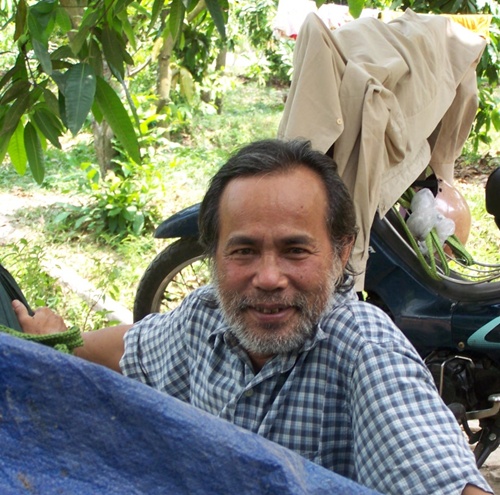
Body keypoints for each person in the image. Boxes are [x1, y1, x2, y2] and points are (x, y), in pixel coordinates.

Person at [13, 139, 492, 495]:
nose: (268, 278)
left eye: (295, 250)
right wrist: (63, 340)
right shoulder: (205, 317)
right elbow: (130, 348)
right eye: (243, 251)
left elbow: (441, 477)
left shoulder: (365, 350)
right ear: (214, 255)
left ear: (341, 252)